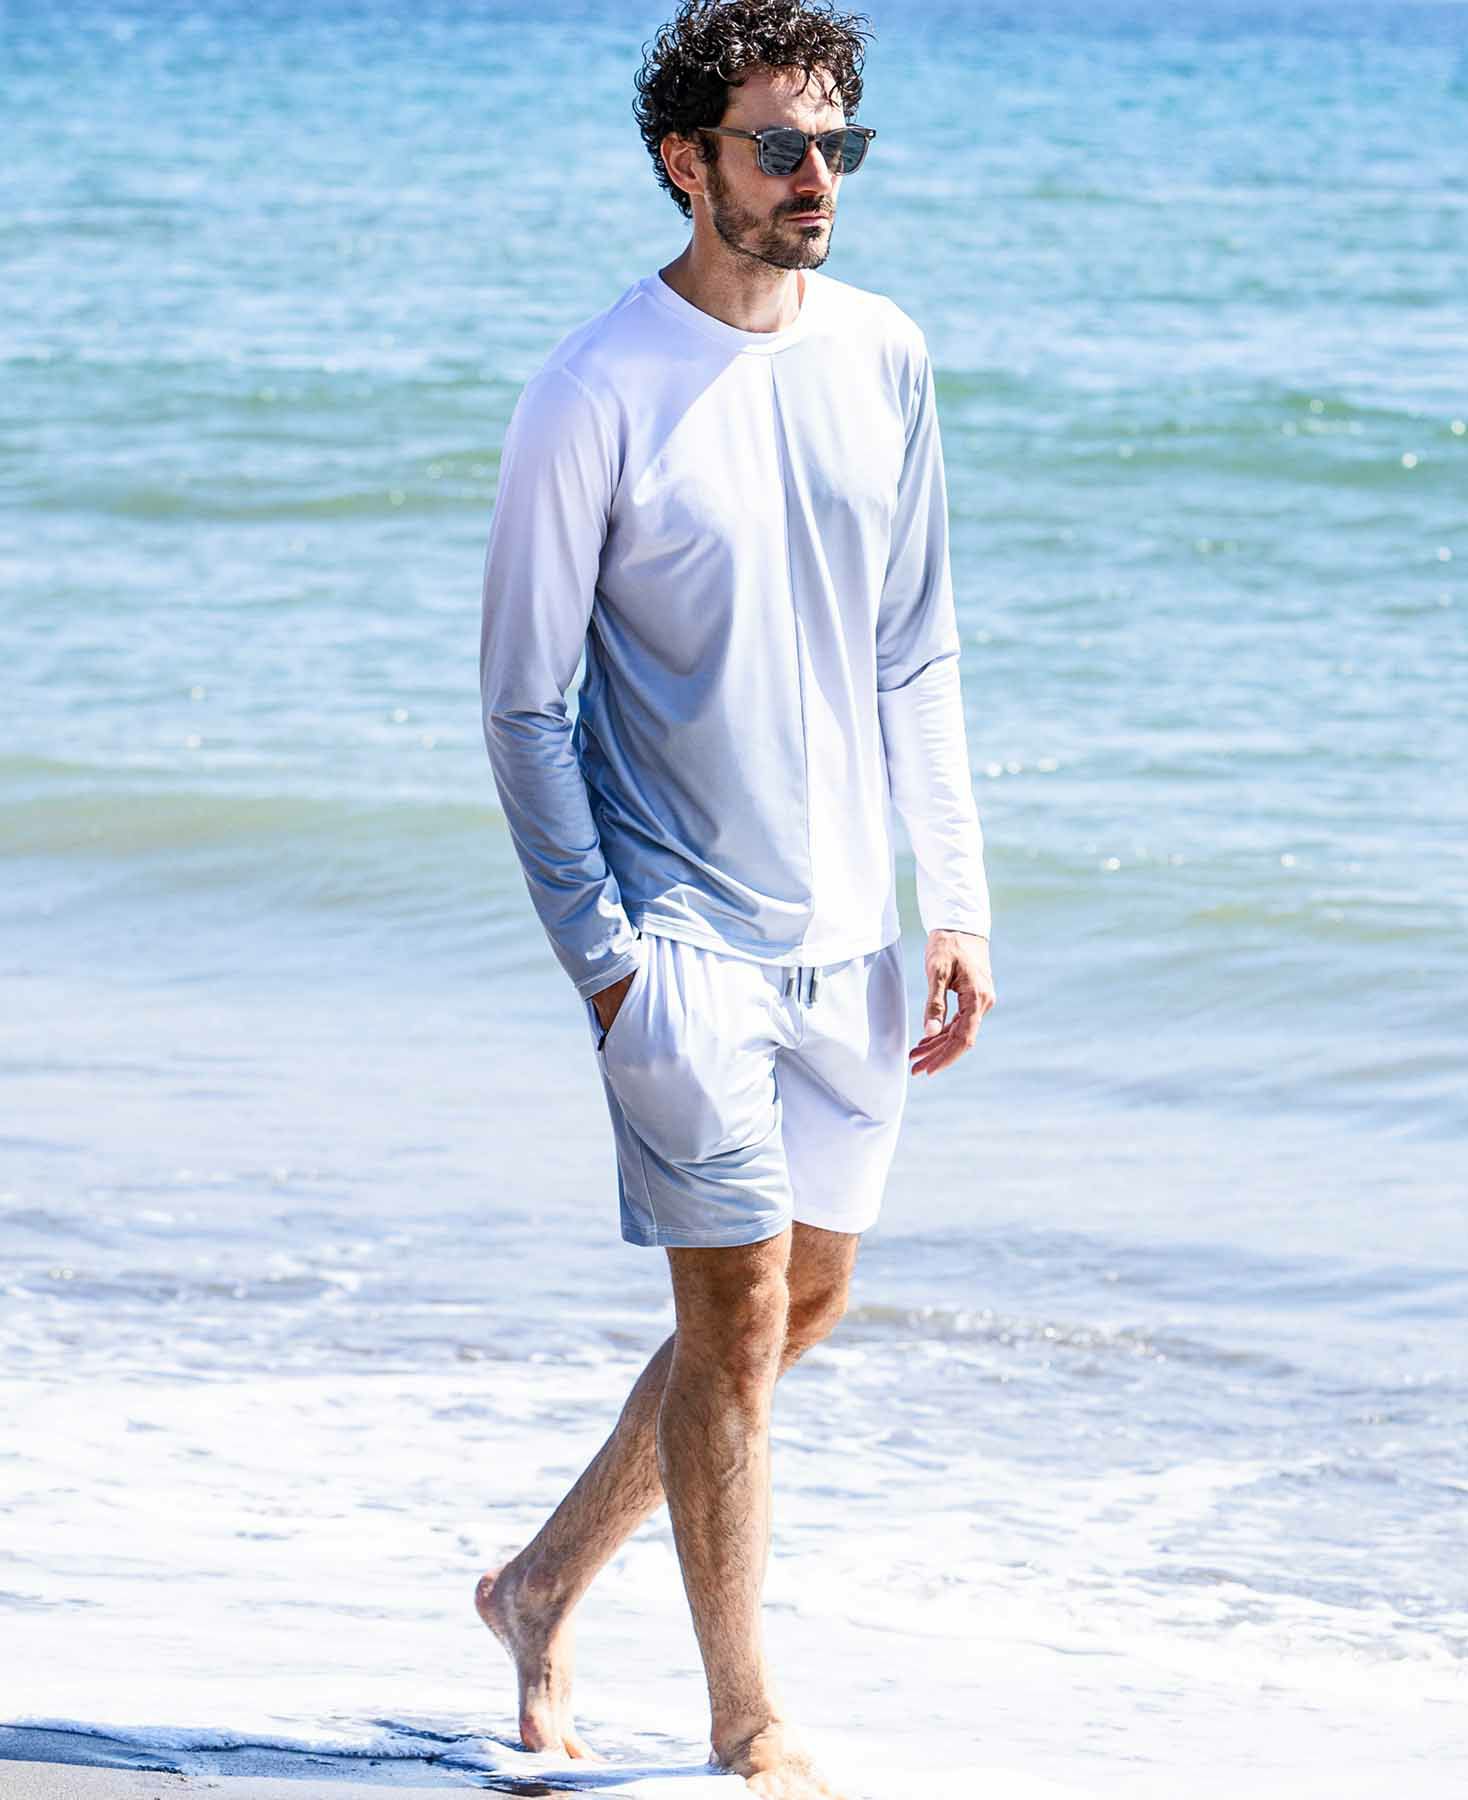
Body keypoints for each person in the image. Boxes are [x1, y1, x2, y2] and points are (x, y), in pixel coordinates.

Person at [474, 3, 995, 1794]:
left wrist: (957, 900)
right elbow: (524, 703)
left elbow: (917, 649)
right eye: (780, 146)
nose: (816, 178)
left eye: (839, 145)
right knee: (736, 1312)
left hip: (855, 934)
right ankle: (744, 1720)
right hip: (676, 940)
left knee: (800, 1302)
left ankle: (540, 1584)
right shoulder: (594, 390)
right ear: (685, 160)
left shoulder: (886, 355)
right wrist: (605, 964)